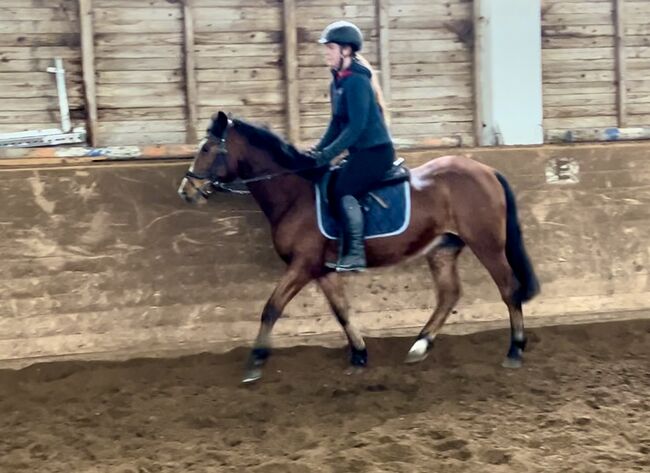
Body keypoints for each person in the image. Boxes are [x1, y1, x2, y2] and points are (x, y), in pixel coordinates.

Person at [306, 20, 395, 272]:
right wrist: (318, 150)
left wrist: (329, 154)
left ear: (346, 50)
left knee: (344, 190)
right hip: (360, 153)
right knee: (332, 184)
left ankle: (355, 253)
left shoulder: (356, 81)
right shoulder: (337, 82)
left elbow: (355, 128)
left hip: (376, 153)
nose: (326, 52)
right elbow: (336, 123)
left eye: (330, 48)